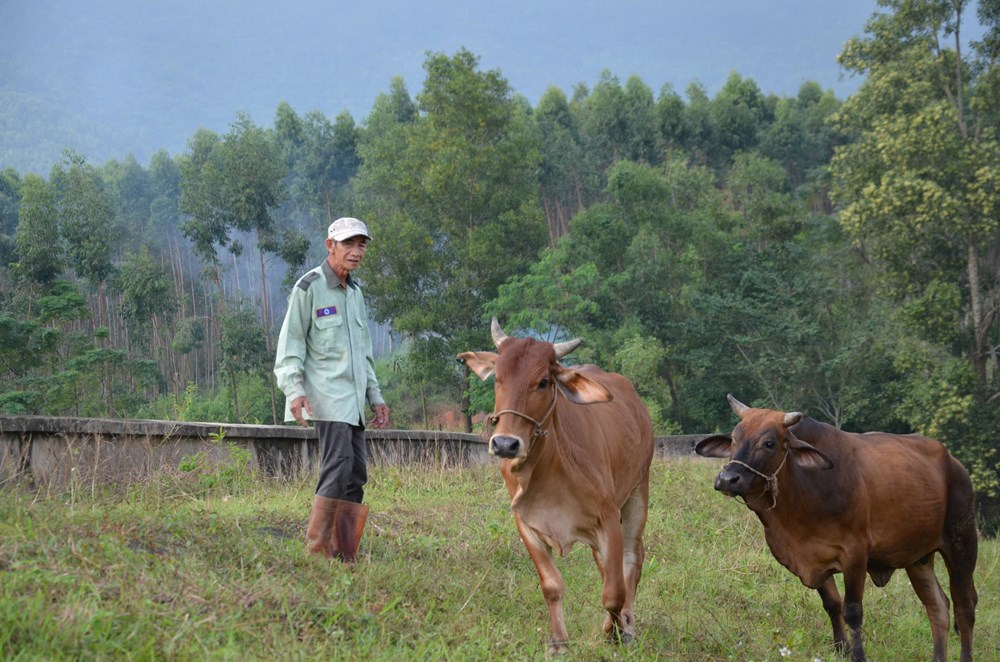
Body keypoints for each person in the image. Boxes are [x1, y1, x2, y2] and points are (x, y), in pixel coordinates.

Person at [274, 216, 390, 563]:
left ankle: (344, 554)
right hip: (326, 398)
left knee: (356, 473)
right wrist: (294, 391)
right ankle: (316, 551)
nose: (356, 252)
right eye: (349, 244)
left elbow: (364, 353)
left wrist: (376, 396)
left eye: (361, 245)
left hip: (353, 401)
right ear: (330, 246)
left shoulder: (355, 293)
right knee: (338, 465)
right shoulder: (308, 288)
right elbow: (290, 346)